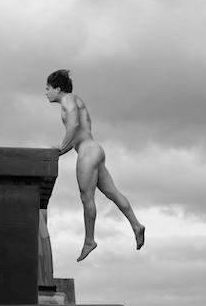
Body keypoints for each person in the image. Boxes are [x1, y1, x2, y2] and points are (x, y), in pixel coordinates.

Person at [45, 69, 145, 261]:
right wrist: (61, 152)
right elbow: (76, 135)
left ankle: (89, 240)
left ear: (57, 89)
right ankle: (136, 225)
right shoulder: (75, 100)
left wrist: (60, 147)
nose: (46, 93)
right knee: (112, 192)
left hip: (88, 153)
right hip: (94, 149)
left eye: (48, 88)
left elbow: (73, 125)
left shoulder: (68, 99)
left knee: (86, 197)